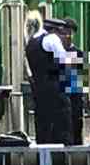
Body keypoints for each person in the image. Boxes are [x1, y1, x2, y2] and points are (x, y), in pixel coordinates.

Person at [25, 17, 73, 145]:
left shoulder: (31, 42)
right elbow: (65, 62)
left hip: (39, 92)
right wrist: (72, 89)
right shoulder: (52, 39)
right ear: (55, 30)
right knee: (63, 130)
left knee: (43, 129)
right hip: (57, 92)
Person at [61, 18, 86, 145]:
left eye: (70, 33)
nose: (68, 36)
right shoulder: (55, 51)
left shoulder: (77, 53)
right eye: (65, 33)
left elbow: (75, 81)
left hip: (74, 96)